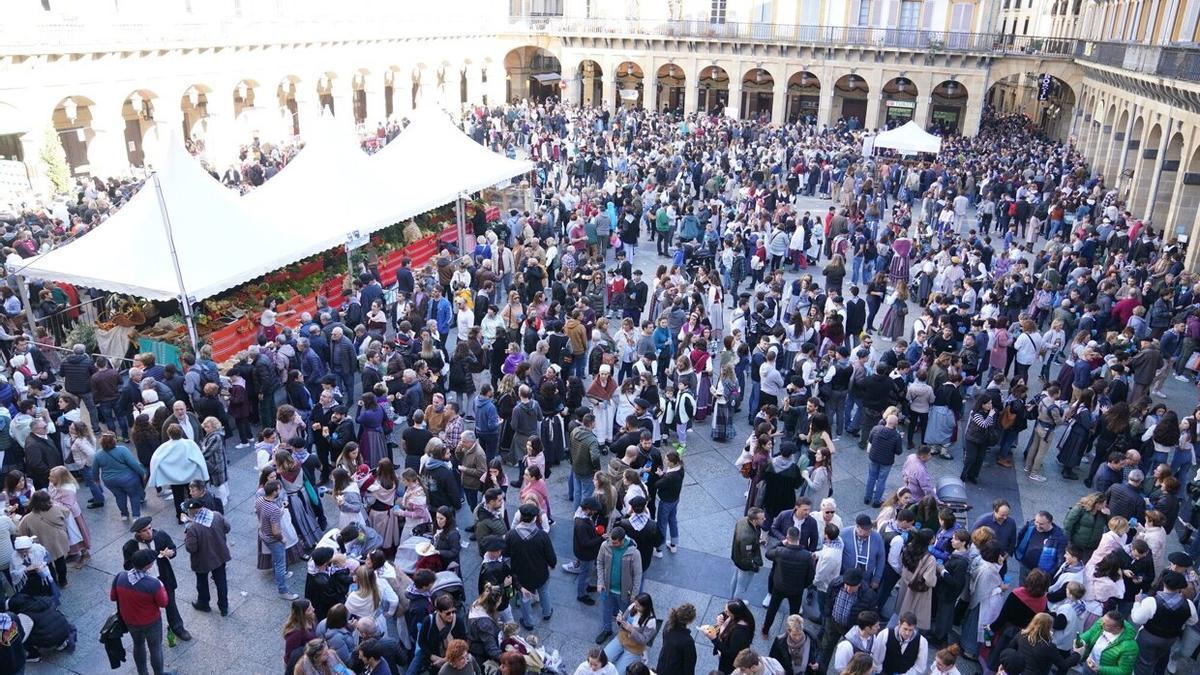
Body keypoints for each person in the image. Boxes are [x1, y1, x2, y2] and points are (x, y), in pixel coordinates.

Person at [111, 549, 170, 675]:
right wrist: (162, 587)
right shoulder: (154, 584)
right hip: (151, 622)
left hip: (130, 621)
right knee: (155, 649)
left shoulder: (120, 576)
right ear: (148, 566)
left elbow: (113, 597)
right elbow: (164, 603)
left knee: (138, 645)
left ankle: (142, 673)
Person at [1131, 570, 1197, 674]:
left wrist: (1137, 603)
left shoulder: (1151, 601)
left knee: (1143, 663)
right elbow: (1193, 621)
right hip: (1169, 639)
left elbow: (1137, 619)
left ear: (1164, 583)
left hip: (1149, 637)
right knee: (1160, 657)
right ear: (1180, 588)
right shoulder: (1189, 604)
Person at [505, 502, 556, 630]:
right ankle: (547, 612)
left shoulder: (511, 534)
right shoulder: (542, 535)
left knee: (525, 597)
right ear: (534, 518)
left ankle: (529, 622)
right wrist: (552, 564)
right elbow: (551, 556)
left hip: (521, 574)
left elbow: (505, 553)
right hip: (540, 572)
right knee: (544, 591)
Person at [147, 424, 209, 524]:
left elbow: (156, 461)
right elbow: (199, 459)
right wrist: (204, 475)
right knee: (192, 495)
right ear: (181, 432)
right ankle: (196, 514)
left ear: (168, 434)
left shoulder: (164, 447)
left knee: (178, 497)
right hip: (190, 476)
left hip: (174, 479)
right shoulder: (189, 444)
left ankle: (181, 517)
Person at [181, 497, 231, 617]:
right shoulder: (216, 515)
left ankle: (204, 603)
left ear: (192, 512)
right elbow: (227, 528)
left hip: (202, 560)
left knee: (202, 582)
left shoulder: (192, 528)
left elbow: (191, 548)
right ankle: (224, 607)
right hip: (220, 554)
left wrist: (186, 536)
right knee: (221, 581)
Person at [762, 526, 814, 638]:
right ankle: (792, 634)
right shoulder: (806, 555)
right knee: (794, 614)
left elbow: (768, 553)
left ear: (787, 537)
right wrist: (803, 585)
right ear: (799, 537)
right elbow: (811, 575)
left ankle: (765, 630)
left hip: (779, 587)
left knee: (773, 609)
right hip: (796, 590)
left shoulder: (780, 551)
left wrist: (781, 543)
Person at [256, 480, 300, 601]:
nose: (279, 491)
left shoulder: (260, 500)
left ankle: (280, 576)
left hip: (264, 535)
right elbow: (276, 531)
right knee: (280, 564)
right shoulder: (274, 509)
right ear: (274, 492)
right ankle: (283, 590)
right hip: (274, 539)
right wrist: (283, 539)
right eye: (278, 489)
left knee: (276, 560)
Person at [92, 431, 147, 519]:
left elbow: (94, 470)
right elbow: (133, 464)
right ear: (114, 440)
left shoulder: (98, 454)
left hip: (110, 481)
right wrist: (142, 473)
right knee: (134, 495)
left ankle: (124, 514)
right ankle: (136, 516)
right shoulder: (122, 450)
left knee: (119, 497)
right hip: (129, 479)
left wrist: (96, 480)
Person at [602, 592, 657, 672]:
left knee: (618, 672)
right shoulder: (632, 607)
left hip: (634, 648)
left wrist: (631, 629)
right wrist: (620, 620)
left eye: (638, 606)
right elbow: (623, 620)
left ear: (645, 607)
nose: (635, 606)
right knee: (603, 659)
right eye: (635, 604)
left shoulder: (651, 621)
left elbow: (644, 640)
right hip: (621, 639)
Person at [1076, 610, 1139, 675]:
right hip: (1088, 665)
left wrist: (1099, 668)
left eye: (1105, 625)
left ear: (1116, 628)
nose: (1101, 624)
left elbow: (1123, 671)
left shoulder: (1130, 647)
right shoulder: (1103, 622)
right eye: (1102, 620)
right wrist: (1081, 640)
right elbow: (1091, 633)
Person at [709, 598, 755, 675]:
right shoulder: (742, 615)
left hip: (730, 662)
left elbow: (730, 653)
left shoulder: (739, 633)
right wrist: (721, 615)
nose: (725, 612)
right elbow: (725, 613)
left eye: (727, 611)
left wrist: (714, 639)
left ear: (734, 614)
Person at [730, 507, 766, 600]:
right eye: (762, 518)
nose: (764, 519)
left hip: (736, 557)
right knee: (742, 585)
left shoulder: (743, 520)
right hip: (743, 563)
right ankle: (736, 604)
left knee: (735, 579)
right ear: (754, 520)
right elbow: (746, 556)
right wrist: (753, 566)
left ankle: (731, 600)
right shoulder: (748, 537)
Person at [656, 602, 698, 675]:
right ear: (690, 620)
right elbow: (689, 666)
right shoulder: (687, 641)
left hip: (662, 666)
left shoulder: (668, 625)